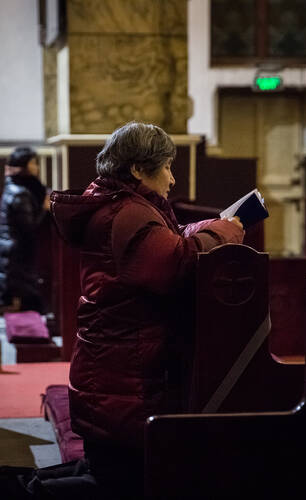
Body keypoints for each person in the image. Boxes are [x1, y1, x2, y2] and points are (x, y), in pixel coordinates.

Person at [40, 122, 244, 499]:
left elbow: (168, 240)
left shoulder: (122, 205)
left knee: (114, 474)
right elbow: (174, 265)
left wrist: (208, 226)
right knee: (120, 485)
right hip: (126, 369)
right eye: (166, 166)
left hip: (116, 362)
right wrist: (226, 233)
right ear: (137, 169)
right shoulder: (130, 212)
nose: (172, 176)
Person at [0, 146, 49, 312]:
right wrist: (45, 209)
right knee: (34, 305)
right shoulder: (21, 193)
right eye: (33, 163)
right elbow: (29, 228)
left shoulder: (14, 186)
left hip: (12, 257)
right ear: (24, 166)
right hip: (17, 261)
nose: (36, 167)